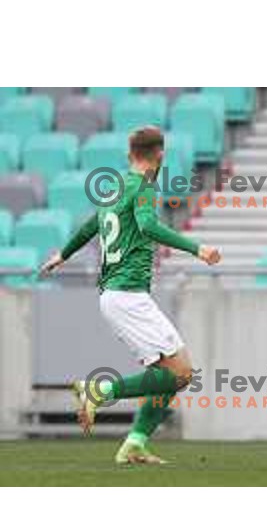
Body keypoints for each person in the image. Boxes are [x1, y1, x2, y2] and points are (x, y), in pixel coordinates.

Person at [40, 126, 221, 464]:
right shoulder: (143, 189)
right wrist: (198, 248)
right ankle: (99, 391)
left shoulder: (117, 187)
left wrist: (62, 255)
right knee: (181, 373)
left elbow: (89, 226)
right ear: (161, 155)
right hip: (127, 295)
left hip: (117, 295)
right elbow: (149, 226)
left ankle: (135, 442)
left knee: (169, 374)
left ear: (129, 155)